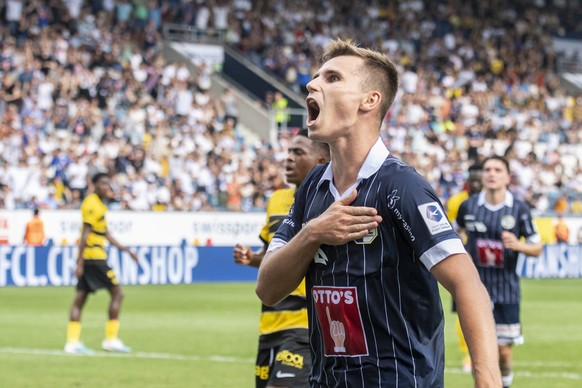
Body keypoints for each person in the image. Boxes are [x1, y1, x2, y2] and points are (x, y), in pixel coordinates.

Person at [256, 38, 501, 387]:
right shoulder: (312, 187)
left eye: (333, 78)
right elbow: (267, 289)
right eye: (316, 76)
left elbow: (467, 284)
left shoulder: (401, 186)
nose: (312, 84)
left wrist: (487, 380)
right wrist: (313, 233)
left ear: (369, 101)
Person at [234, 129, 330, 388]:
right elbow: (271, 257)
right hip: (269, 323)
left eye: (298, 152)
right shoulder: (276, 200)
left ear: (320, 161)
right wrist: (252, 258)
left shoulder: (330, 201)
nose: (288, 158)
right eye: (288, 152)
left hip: (304, 324)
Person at [457, 155, 543, 388]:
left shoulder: (518, 209)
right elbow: (454, 234)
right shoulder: (469, 206)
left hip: (506, 289)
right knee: (480, 355)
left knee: (503, 352)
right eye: (487, 169)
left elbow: (537, 247)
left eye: (497, 169)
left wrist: (519, 245)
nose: (491, 173)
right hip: (475, 289)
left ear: (507, 177)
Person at [64, 172, 139, 354]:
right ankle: (111, 339)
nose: (107, 188)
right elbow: (85, 234)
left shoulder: (99, 205)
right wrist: (79, 261)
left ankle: (72, 343)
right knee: (118, 294)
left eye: (108, 184)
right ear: (94, 185)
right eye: (103, 184)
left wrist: (126, 250)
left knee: (80, 299)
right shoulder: (91, 204)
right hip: (94, 258)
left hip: (93, 256)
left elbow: (105, 233)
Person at [446, 162, 483, 373]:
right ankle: (467, 354)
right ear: (468, 180)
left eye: (480, 178)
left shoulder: (489, 203)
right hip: (464, 264)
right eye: (474, 179)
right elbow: (448, 229)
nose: (477, 183)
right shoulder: (457, 202)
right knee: (465, 309)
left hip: (489, 268)